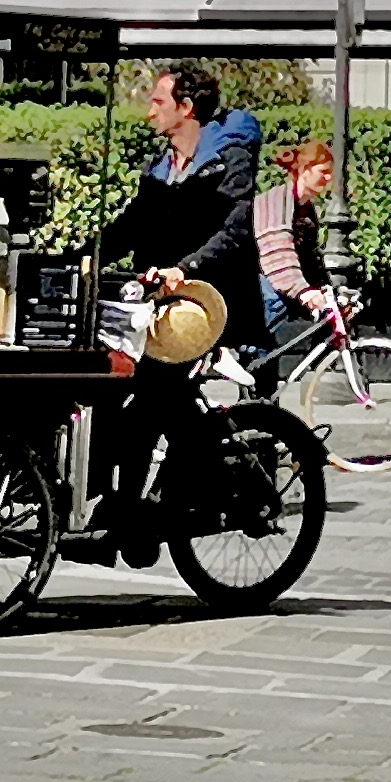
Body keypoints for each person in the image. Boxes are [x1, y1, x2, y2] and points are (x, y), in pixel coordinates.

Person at [95, 64, 261, 549]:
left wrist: (184, 268)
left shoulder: (227, 160)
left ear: (186, 108)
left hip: (206, 305)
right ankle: (135, 510)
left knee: (149, 405)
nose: (149, 111)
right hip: (157, 307)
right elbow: (135, 223)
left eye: (158, 102)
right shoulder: (162, 165)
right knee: (127, 396)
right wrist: (84, 255)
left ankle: (131, 518)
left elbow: (234, 229)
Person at [247, 140, 344, 356]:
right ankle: (246, 353)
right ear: (304, 169)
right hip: (248, 272)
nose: (328, 178)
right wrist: (303, 291)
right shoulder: (276, 201)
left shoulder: (307, 210)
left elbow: (310, 257)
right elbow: (278, 252)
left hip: (272, 276)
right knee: (272, 304)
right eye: (323, 171)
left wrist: (327, 291)